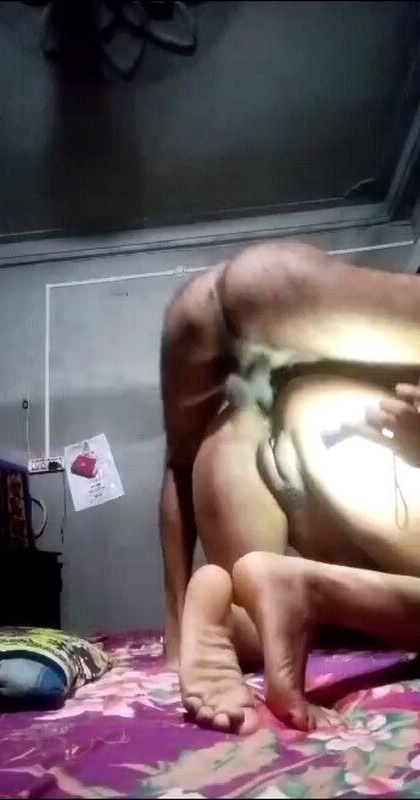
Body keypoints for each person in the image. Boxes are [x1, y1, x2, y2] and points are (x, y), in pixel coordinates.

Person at [159, 239, 420, 732]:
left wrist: (173, 633)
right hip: (357, 442)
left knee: (256, 612)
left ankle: (238, 619)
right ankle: (315, 591)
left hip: (246, 443)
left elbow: (178, 466)